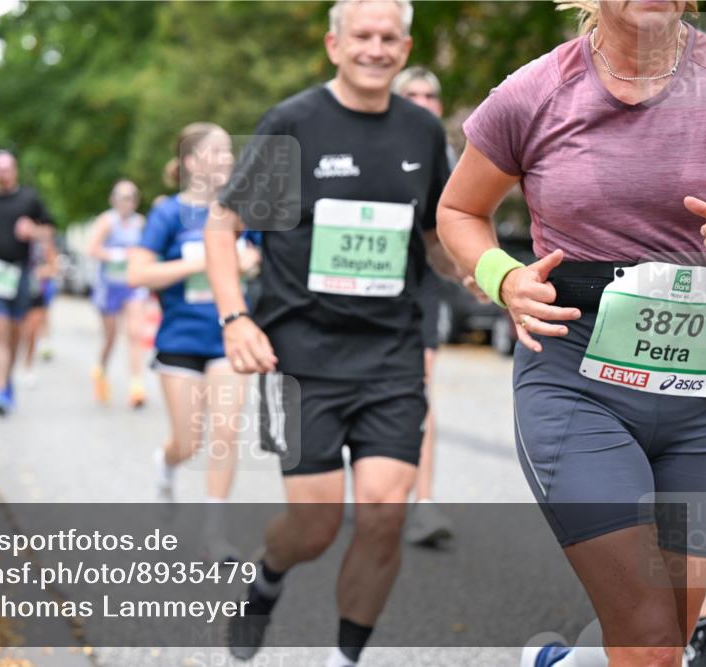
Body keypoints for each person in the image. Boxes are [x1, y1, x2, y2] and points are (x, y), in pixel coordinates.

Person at [436, 1, 705, 665]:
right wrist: (503, 277)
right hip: (577, 386)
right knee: (649, 636)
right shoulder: (533, 94)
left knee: (671, 625)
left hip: (698, 395)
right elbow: (459, 208)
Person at [205, 1, 458, 664]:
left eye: (388, 38)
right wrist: (235, 318)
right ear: (334, 45)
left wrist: (479, 271)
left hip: (392, 356)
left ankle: (344, 657)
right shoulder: (293, 124)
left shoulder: (422, 134)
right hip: (302, 356)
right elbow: (223, 226)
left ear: (404, 49)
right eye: (362, 36)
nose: (375, 48)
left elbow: (436, 232)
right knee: (313, 527)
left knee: (382, 513)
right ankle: (266, 577)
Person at [129, 122, 261, 563]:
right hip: (180, 339)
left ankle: (214, 532)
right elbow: (138, 274)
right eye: (216, 152)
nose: (226, 159)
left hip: (229, 336)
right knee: (189, 441)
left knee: (225, 433)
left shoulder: (242, 210)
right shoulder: (168, 214)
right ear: (190, 162)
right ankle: (165, 464)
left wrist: (247, 261)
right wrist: (205, 261)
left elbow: (260, 257)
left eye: (229, 151)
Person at [391, 65, 459, 548]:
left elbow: (462, 221)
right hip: (365, 283)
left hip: (423, 283)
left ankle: (422, 501)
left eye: (429, 94)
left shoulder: (445, 154)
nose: (421, 100)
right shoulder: (370, 138)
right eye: (410, 92)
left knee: (419, 386)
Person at [0, 150, 56, 416]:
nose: (3, 172)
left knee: (16, 333)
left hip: (20, 274)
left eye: (8, 168)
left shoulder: (29, 199)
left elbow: (50, 231)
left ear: (14, 171)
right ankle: (1, 389)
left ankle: (7, 379)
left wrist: (34, 231)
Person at [87, 179, 150, 407]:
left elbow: (148, 251)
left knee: (135, 333)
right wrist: (117, 255)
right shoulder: (107, 221)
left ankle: (136, 386)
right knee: (111, 337)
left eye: (132, 197)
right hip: (109, 286)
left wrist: (138, 257)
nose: (127, 202)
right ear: (113, 200)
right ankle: (101, 371)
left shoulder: (140, 223)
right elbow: (92, 249)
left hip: (132, 285)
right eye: (123, 197)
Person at [20, 226, 59, 387]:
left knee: (33, 329)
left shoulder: (45, 247)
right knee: (20, 331)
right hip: (18, 293)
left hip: (38, 292)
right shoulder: (16, 244)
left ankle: (28, 367)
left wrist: (40, 271)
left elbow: (53, 268)